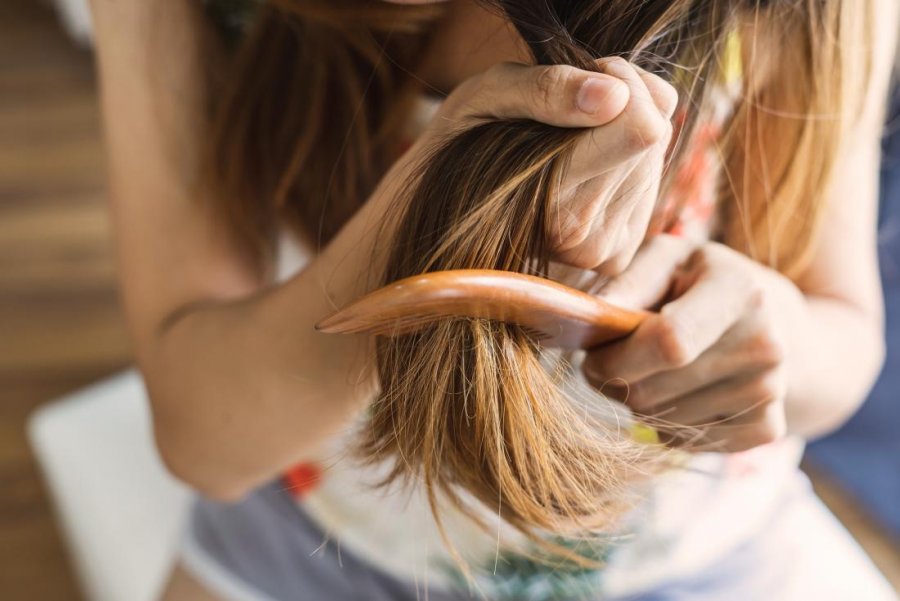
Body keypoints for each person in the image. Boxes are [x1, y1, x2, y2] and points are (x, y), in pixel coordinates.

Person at [86, 0, 899, 599]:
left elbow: (844, 337)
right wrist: (431, 206)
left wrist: (774, 343)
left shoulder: (806, 14)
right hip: (305, 551)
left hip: (696, 560)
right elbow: (204, 440)